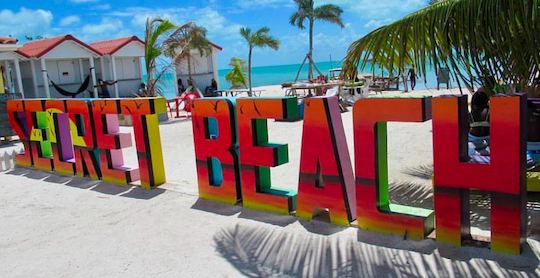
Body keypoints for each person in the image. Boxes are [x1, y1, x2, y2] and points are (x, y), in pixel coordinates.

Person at [468, 89, 490, 156]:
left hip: (473, 140)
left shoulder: (470, 114)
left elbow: (466, 128)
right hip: (487, 140)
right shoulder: (489, 112)